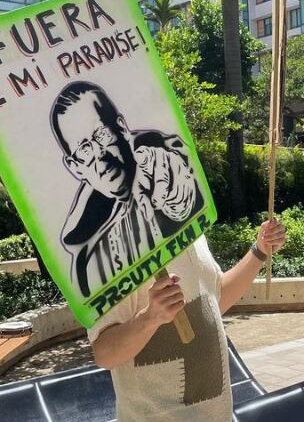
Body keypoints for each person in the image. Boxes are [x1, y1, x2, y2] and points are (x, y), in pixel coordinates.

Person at [90, 218, 286, 421]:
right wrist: (149, 318)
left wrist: (260, 250)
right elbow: (104, 354)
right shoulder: (113, 248)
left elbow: (214, 300)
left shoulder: (192, 229)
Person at [51, 82, 205, 297]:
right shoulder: (89, 255)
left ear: (122, 127)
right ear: (75, 167)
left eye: (102, 135)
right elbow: (103, 330)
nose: (100, 155)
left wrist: (175, 186)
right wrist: (150, 317)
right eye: (84, 149)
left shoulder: (161, 161)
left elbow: (180, 191)